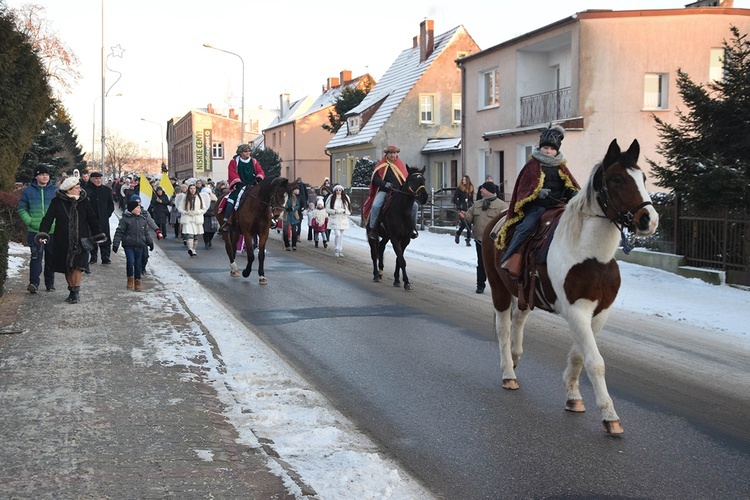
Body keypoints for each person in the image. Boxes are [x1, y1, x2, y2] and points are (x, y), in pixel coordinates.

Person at [498, 125, 580, 277]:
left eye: (552, 149)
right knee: (525, 228)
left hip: (558, 206)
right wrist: (536, 194)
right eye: (546, 148)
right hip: (538, 207)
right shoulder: (532, 165)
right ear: (540, 147)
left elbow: (569, 185)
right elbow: (523, 189)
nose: (548, 151)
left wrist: (575, 194)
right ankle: (510, 257)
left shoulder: (561, 167)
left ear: (557, 150)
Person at [35, 176, 107, 304]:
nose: (79, 190)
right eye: (77, 188)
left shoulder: (84, 201)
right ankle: (72, 291)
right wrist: (43, 233)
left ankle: (76, 292)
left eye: (79, 187)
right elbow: (48, 219)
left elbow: (92, 219)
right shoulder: (57, 202)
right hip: (63, 240)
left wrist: (97, 234)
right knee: (67, 267)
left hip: (81, 239)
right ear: (69, 190)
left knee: (78, 267)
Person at [459, 182, 508, 293]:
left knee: (496, 264)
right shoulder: (476, 204)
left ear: (489, 190)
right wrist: (464, 216)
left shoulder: (502, 206)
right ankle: (480, 284)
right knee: (481, 263)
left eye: (483, 189)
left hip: (495, 242)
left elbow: (507, 223)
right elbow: (469, 218)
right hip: (480, 240)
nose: (480, 191)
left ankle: (499, 286)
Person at [363, 145, 418, 240]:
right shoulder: (381, 164)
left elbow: (405, 180)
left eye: (394, 153)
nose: (392, 155)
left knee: (415, 206)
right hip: (385, 191)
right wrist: (384, 184)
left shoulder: (400, 165)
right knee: (376, 205)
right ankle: (373, 229)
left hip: (398, 192)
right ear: (387, 154)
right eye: (390, 153)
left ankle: (413, 227)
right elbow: (375, 179)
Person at [17, 165, 58, 293]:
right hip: (35, 231)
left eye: (47, 174)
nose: (45, 176)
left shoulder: (55, 191)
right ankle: (34, 283)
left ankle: (50, 283)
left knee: (51, 258)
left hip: (52, 230)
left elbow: (60, 208)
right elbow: (22, 208)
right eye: (41, 174)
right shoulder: (28, 191)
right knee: (36, 257)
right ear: (36, 176)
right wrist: (30, 221)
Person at [221, 144, 265, 231]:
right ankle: (227, 220)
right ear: (240, 152)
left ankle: (268, 220)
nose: (248, 153)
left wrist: (259, 176)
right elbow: (232, 172)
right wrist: (237, 181)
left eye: (249, 151)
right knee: (231, 199)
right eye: (245, 151)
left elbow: (260, 171)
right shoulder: (234, 162)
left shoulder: (253, 161)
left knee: (263, 199)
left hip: (252, 185)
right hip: (239, 185)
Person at [112, 200, 153, 292]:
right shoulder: (125, 220)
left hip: (140, 245)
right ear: (132, 209)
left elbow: (146, 233)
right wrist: (116, 243)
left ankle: (137, 281)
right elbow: (119, 232)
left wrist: (150, 242)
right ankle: (130, 279)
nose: (140, 209)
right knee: (130, 262)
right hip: (129, 245)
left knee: (138, 264)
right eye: (137, 207)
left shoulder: (142, 219)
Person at [85, 171, 115, 265]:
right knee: (92, 237)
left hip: (103, 218)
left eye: (99, 178)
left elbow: (111, 204)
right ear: (92, 179)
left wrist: (107, 214)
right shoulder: (86, 190)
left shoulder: (106, 190)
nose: (98, 180)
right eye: (96, 179)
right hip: (91, 219)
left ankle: (105, 257)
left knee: (105, 238)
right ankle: (93, 257)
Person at [178, 183, 208, 256]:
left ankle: (194, 249)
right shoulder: (185, 198)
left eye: (194, 188)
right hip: (188, 219)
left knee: (196, 236)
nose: (192, 190)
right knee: (190, 235)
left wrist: (197, 212)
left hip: (197, 219)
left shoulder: (200, 197)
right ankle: (190, 249)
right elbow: (180, 207)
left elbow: (204, 208)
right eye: (191, 189)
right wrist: (185, 212)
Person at [326, 184, 351, 257]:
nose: (338, 191)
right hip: (335, 218)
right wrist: (335, 211)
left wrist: (344, 211)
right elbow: (327, 209)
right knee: (337, 234)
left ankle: (340, 249)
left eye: (340, 190)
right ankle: (336, 248)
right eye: (337, 190)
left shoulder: (346, 198)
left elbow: (349, 209)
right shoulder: (331, 198)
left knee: (341, 235)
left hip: (342, 219)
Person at [453, 175, 475, 247]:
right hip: (462, 209)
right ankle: (459, 234)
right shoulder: (459, 189)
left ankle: (467, 239)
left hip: (469, 209)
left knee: (468, 224)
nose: (463, 181)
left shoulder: (471, 189)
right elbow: (454, 199)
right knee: (465, 223)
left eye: (465, 179)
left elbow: (471, 199)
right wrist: (460, 204)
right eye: (463, 179)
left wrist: (472, 205)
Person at [282, 186, 302, 251]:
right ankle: (287, 245)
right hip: (286, 216)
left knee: (294, 231)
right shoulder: (283, 197)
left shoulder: (294, 197)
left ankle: (294, 245)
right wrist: (285, 208)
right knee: (285, 231)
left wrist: (293, 208)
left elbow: (298, 205)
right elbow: (280, 205)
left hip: (294, 216)